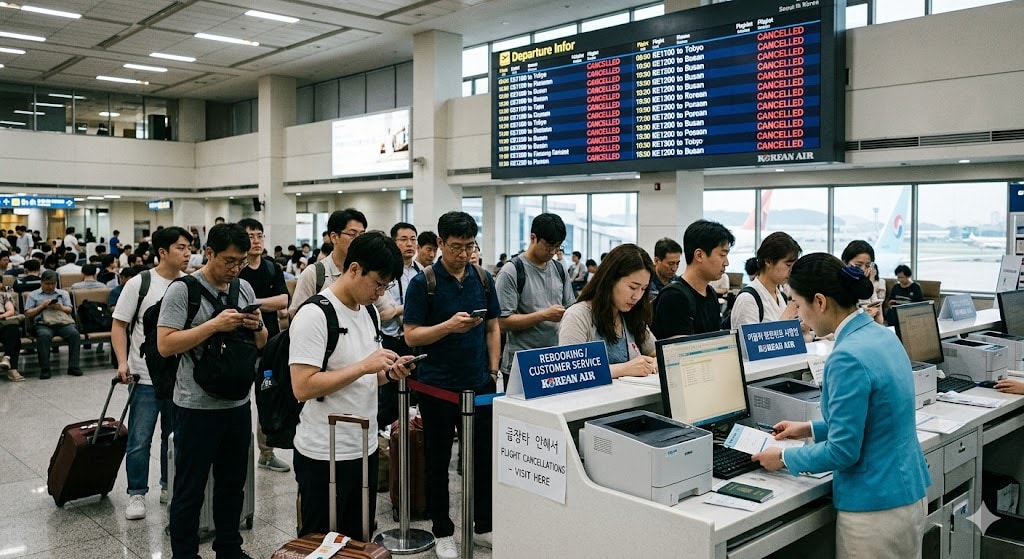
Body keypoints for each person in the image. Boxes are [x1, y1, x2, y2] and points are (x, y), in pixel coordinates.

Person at [752, 253, 929, 557]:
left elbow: (844, 451)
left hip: (874, 509)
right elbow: (872, 420)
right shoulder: (881, 336)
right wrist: (808, 428)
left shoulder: (846, 357)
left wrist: (783, 458)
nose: (798, 317)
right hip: (906, 494)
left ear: (819, 301)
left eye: (798, 304)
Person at [290, 232, 416, 538]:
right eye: (378, 283)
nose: (381, 292)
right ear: (355, 269)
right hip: (324, 451)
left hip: (365, 445)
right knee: (322, 541)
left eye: (386, 285)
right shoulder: (315, 314)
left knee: (358, 537)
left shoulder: (368, 311)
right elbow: (303, 387)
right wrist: (363, 366)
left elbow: (368, 374)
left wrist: (389, 372)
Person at [159, 223, 267, 559]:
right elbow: (165, 344)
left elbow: (261, 343)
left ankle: (229, 547)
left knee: (233, 484)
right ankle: (185, 553)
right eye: (229, 261)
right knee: (190, 488)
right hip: (196, 406)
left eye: (241, 262)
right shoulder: (183, 291)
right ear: (209, 254)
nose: (235, 269)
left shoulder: (244, 288)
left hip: (237, 402)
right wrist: (213, 325)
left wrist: (257, 326)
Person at [403, 211, 500, 559]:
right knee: (438, 461)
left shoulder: (483, 278)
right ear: (440, 243)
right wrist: (447, 327)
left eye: (469, 247)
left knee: (482, 460)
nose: (463, 254)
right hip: (437, 388)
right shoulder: (423, 283)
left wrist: (492, 370)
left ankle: (483, 526)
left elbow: (492, 327)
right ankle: (442, 529)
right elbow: (411, 334)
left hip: (478, 385)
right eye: (456, 247)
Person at [112, 227, 192, 520]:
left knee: (174, 437)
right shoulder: (140, 283)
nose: (187, 254)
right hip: (144, 376)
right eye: (181, 248)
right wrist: (123, 363)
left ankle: (168, 485)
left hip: (179, 379)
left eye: (189, 248)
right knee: (139, 439)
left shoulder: (189, 284)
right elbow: (119, 325)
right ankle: (136, 493)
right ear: (162, 252)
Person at [237, 218, 292, 473]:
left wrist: (251, 303)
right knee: (237, 399)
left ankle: (266, 452)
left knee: (266, 394)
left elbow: (283, 300)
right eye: (251, 236)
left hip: (269, 348)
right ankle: (234, 453)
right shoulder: (236, 269)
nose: (256, 240)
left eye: (260, 235)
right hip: (239, 345)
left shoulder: (271, 267)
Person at [558, 244, 657, 378]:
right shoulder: (578, 316)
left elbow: (655, 352)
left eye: (644, 289)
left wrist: (655, 362)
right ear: (610, 280)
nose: (637, 296)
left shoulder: (631, 314)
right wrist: (623, 369)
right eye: (633, 287)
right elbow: (569, 372)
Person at [497, 213, 574, 381]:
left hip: (554, 361)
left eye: (557, 247)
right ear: (533, 238)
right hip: (521, 363)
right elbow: (501, 322)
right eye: (548, 246)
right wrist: (544, 315)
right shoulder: (512, 271)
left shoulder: (559, 269)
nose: (553, 252)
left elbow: (570, 308)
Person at [374, 222, 422, 426]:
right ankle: (386, 430)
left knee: (413, 387)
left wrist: (402, 308)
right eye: (403, 239)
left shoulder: (421, 271)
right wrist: (412, 306)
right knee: (390, 390)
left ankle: (407, 428)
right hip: (389, 337)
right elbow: (386, 312)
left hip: (412, 337)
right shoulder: (387, 271)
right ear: (394, 242)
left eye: (413, 239)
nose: (409, 244)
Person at [652, 219, 734, 338]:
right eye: (722, 255)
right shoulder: (674, 297)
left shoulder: (710, 293)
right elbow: (680, 353)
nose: (726, 262)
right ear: (699, 255)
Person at [289, 208, 368, 317]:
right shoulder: (314, 274)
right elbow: (297, 315)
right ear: (334, 237)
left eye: (362, 235)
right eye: (352, 234)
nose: (359, 240)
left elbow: (384, 310)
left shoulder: (367, 271)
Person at [730, 232, 802, 328]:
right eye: (788, 265)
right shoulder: (748, 299)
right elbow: (749, 341)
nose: (791, 271)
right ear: (768, 262)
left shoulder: (780, 296)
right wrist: (786, 319)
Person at [25, 270, 82, 379]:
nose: (51, 286)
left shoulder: (63, 293)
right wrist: (42, 306)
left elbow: (69, 310)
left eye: (53, 283)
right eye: (47, 284)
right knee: (44, 336)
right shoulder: (33, 295)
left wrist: (61, 307)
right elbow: (28, 313)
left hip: (61, 322)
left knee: (74, 334)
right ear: (41, 283)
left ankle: (74, 366)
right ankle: (45, 369)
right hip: (43, 324)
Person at [841, 240, 884, 324]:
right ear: (845, 262)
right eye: (858, 265)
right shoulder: (839, 286)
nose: (863, 269)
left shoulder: (866, 286)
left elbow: (880, 321)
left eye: (867, 265)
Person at [0, 285, 23, 381]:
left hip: (2, 323)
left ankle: (7, 358)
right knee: (15, 339)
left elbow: (10, 311)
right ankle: (12, 369)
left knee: (13, 330)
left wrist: (1, 317)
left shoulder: (4, 296)